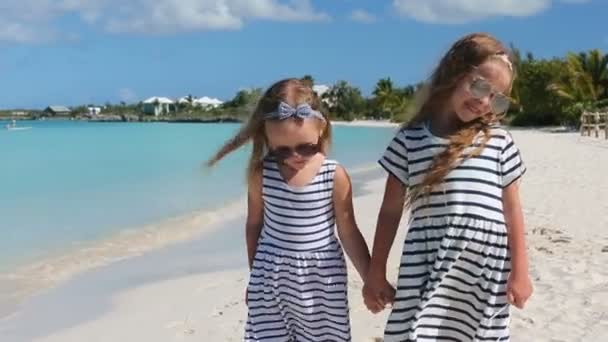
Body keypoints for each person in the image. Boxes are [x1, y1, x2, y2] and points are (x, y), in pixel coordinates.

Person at [363, 32, 533, 341]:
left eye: (496, 97)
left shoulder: (497, 141)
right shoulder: (410, 139)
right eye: (480, 85)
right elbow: (389, 211)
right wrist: (376, 271)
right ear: (454, 72)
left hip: (485, 268)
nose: (484, 101)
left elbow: (512, 210)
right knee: (419, 332)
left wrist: (520, 271)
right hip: (429, 259)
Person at [207, 78, 371, 341]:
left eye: (306, 147)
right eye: (282, 150)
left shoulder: (333, 175)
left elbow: (348, 231)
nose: (295, 156)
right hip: (270, 277)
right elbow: (254, 225)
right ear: (266, 138)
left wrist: (370, 279)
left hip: (321, 281)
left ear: (321, 129)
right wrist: (255, 277)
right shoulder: (261, 174)